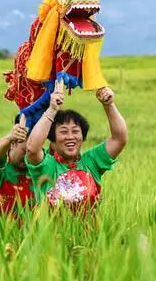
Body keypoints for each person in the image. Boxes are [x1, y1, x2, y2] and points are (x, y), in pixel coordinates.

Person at [25, 80, 128, 212]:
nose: (70, 137)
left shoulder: (91, 162)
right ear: (53, 140)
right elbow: (32, 149)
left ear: (82, 137)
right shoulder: (47, 166)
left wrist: (109, 104)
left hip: (89, 232)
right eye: (63, 132)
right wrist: (52, 109)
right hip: (53, 233)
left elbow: (119, 139)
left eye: (75, 131)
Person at [0, 113, 35, 218]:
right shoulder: (0, 168)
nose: (30, 156)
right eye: (25, 150)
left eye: (35, 151)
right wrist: (9, 138)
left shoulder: (40, 167)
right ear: (13, 143)